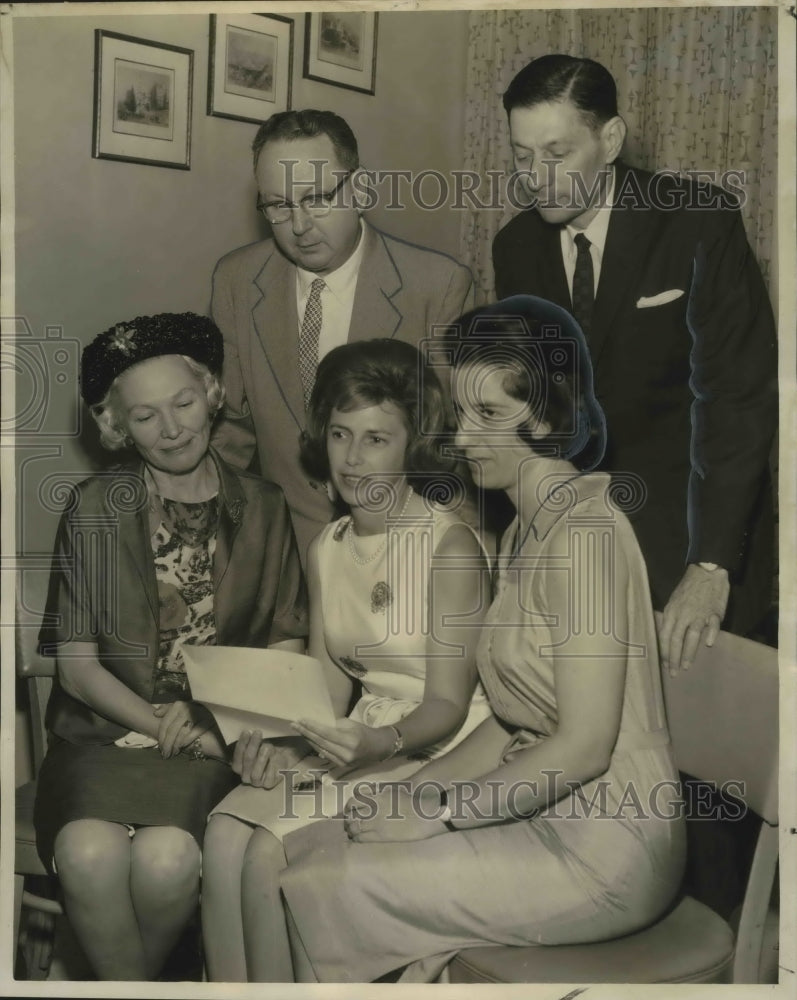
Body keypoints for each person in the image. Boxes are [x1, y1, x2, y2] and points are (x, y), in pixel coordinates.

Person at [277, 296, 686, 984]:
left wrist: (434, 813)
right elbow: (511, 717)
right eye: (461, 414)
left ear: (549, 416)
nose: (463, 437)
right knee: (307, 848)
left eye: (490, 415)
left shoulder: (583, 537)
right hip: (533, 801)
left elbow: (583, 748)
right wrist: (418, 791)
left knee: (325, 883)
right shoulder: (525, 530)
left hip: (605, 840)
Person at [201, 338, 493, 982]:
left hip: (440, 748)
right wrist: (281, 746)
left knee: (264, 855)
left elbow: (447, 705)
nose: (353, 460)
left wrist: (374, 742)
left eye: (376, 439)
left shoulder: (450, 548)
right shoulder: (328, 547)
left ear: (414, 445)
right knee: (222, 836)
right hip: (360, 738)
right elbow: (327, 696)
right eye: (340, 434)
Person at [34, 313, 307, 981]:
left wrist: (212, 718)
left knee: (169, 862)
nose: (173, 427)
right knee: (90, 855)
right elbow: (76, 668)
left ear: (212, 393)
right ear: (116, 426)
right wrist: (163, 724)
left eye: (184, 402)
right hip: (100, 738)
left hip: (210, 740)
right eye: (146, 416)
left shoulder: (265, 506)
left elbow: (288, 641)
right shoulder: (94, 506)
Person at [492, 54, 777, 673]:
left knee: (705, 750)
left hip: (697, 537)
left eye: (556, 153)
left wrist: (710, 567)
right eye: (521, 155)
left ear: (611, 140)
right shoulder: (514, 247)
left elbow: (738, 401)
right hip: (581, 551)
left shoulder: (698, 222)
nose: (536, 178)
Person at [210, 109, 474, 564]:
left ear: (362, 190)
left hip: (404, 548)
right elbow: (229, 430)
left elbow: (456, 444)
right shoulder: (236, 279)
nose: (299, 225)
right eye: (279, 205)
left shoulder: (437, 286)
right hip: (280, 555)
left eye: (317, 199)